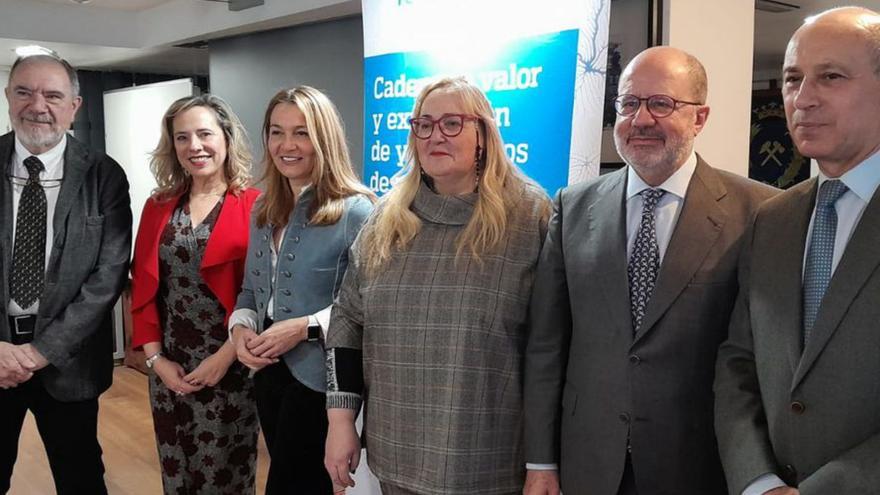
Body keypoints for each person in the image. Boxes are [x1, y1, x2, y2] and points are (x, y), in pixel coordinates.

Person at [522, 46, 777, 495]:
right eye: (629, 104)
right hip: (589, 462)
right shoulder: (572, 206)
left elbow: (761, 358)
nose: (640, 120)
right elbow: (547, 344)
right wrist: (541, 460)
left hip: (700, 464)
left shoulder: (759, 212)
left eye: (661, 104)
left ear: (700, 118)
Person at [324, 76, 551, 495]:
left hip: (491, 458)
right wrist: (340, 422)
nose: (435, 135)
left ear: (483, 134)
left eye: (451, 123)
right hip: (396, 456)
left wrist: (544, 461)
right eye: (423, 125)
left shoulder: (530, 216)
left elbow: (551, 347)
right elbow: (346, 322)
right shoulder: (386, 220)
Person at [714, 7, 880, 495]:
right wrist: (758, 480)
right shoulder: (773, 218)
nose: (802, 99)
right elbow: (738, 361)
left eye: (830, 77)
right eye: (792, 79)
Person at [229, 86, 374, 494]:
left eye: (301, 133)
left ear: (323, 138)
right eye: (277, 132)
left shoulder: (357, 211)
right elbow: (250, 292)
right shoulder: (263, 209)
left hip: (323, 380)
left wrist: (303, 327)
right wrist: (240, 331)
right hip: (267, 375)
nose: (286, 145)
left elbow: (368, 305)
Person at [0, 51, 132, 494]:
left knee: (81, 478)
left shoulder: (104, 175)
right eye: (24, 92)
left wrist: (42, 350)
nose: (38, 105)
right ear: (7, 96)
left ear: (74, 105)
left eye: (53, 95)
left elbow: (107, 275)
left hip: (68, 362)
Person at [129, 94, 260, 494]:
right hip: (170, 368)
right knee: (177, 472)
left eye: (204, 134)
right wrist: (155, 360)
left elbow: (261, 295)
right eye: (182, 137)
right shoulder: (159, 205)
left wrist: (225, 359)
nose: (194, 146)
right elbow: (145, 288)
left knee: (226, 476)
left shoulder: (257, 206)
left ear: (226, 137)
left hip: (231, 366)